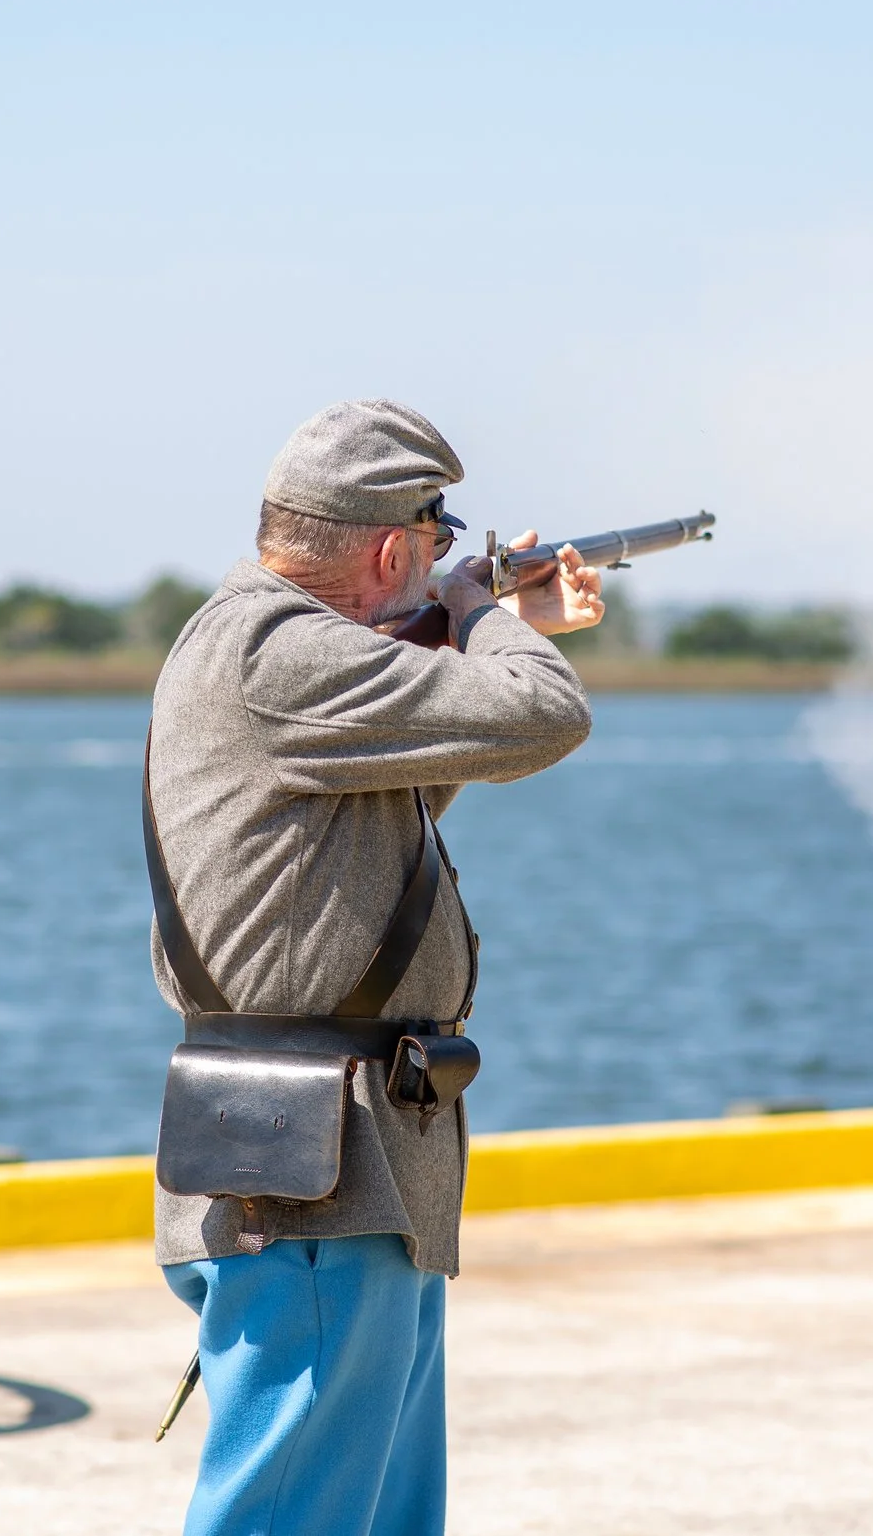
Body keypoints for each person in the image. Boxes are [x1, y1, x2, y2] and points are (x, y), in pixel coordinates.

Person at [147, 399, 603, 1536]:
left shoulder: (286, 651)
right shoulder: (275, 648)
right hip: (313, 1167)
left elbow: (399, 806)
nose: (439, 567)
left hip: (357, 1161)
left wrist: (476, 624)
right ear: (392, 550)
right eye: (433, 548)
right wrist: (485, 617)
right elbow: (543, 713)